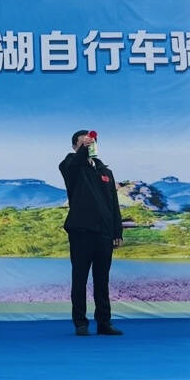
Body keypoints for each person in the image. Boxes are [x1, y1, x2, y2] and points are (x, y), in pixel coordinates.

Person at [58, 130, 124, 336]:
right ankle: (80, 323)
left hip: (104, 233)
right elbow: (75, 163)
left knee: (102, 280)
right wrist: (83, 150)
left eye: (91, 143)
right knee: (80, 278)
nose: (88, 145)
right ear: (75, 146)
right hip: (81, 232)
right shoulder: (70, 166)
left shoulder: (105, 171)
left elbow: (113, 203)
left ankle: (104, 322)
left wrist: (117, 232)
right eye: (83, 143)